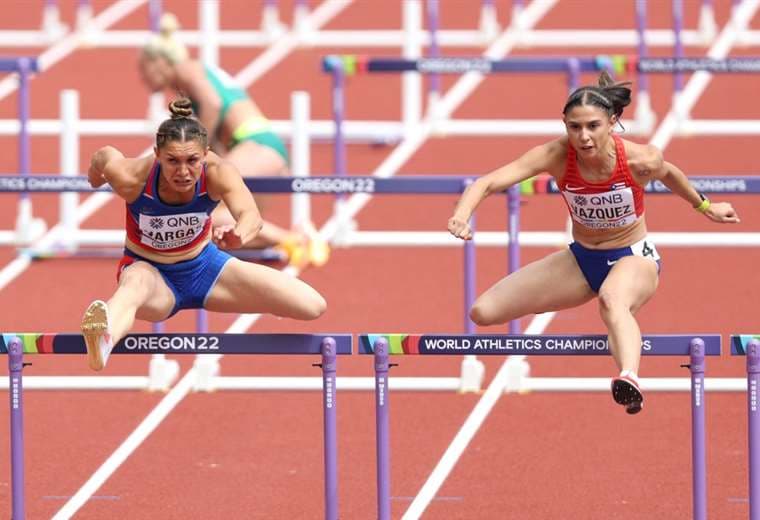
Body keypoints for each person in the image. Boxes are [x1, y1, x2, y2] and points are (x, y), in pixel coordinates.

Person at [447, 71, 740, 414]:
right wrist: (462, 216)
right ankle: (562, 301)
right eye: (575, 127)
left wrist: (706, 206)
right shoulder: (555, 155)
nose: (583, 137)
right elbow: (487, 182)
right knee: (482, 312)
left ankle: (629, 377)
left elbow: (671, 175)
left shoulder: (640, 159)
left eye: (593, 126)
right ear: (564, 125)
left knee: (612, 299)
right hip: (582, 259)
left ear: (612, 122)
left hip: (633, 256)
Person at [81, 98, 327, 371]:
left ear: (206, 154)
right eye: (173, 161)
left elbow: (251, 216)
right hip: (153, 274)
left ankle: (272, 299)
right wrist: (95, 175)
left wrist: (239, 235)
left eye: (192, 160)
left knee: (311, 305)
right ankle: (103, 338)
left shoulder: (219, 172)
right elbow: (105, 155)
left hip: (206, 268)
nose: (183, 171)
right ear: (157, 155)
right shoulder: (132, 177)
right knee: (134, 285)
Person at [138, 13, 327, 267]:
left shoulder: (186, 69)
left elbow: (213, 104)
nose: (142, 78)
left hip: (254, 144)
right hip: (256, 146)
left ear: (159, 62)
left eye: (143, 69)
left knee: (198, 213)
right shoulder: (192, 74)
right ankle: (290, 240)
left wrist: (194, 149)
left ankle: (296, 239)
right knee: (231, 224)